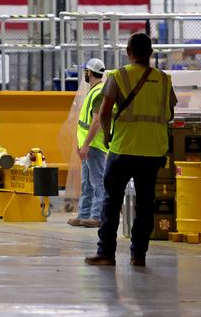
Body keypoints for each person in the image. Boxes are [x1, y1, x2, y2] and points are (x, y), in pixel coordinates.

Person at [81, 32, 175, 268]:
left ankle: (106, 254)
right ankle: (138, 256)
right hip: (153, 151)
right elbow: (170, 114)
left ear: (128, 52)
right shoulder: (164, 79)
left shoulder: (118, 76)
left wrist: (108, 136)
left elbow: (104, 113)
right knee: (145, 204)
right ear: (151, 54)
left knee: (112, 203)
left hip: (122, 149)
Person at [69, 58, 109, 228]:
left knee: (98, 181)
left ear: (89, 72)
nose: (84, 74)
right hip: (87, 144)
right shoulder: (93, 91)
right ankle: (84, 214)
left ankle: (96, 216)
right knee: (87, 182)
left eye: (85, 71)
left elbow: (96, 122)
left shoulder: (99, 92)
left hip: (94, 145)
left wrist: (85, 145)